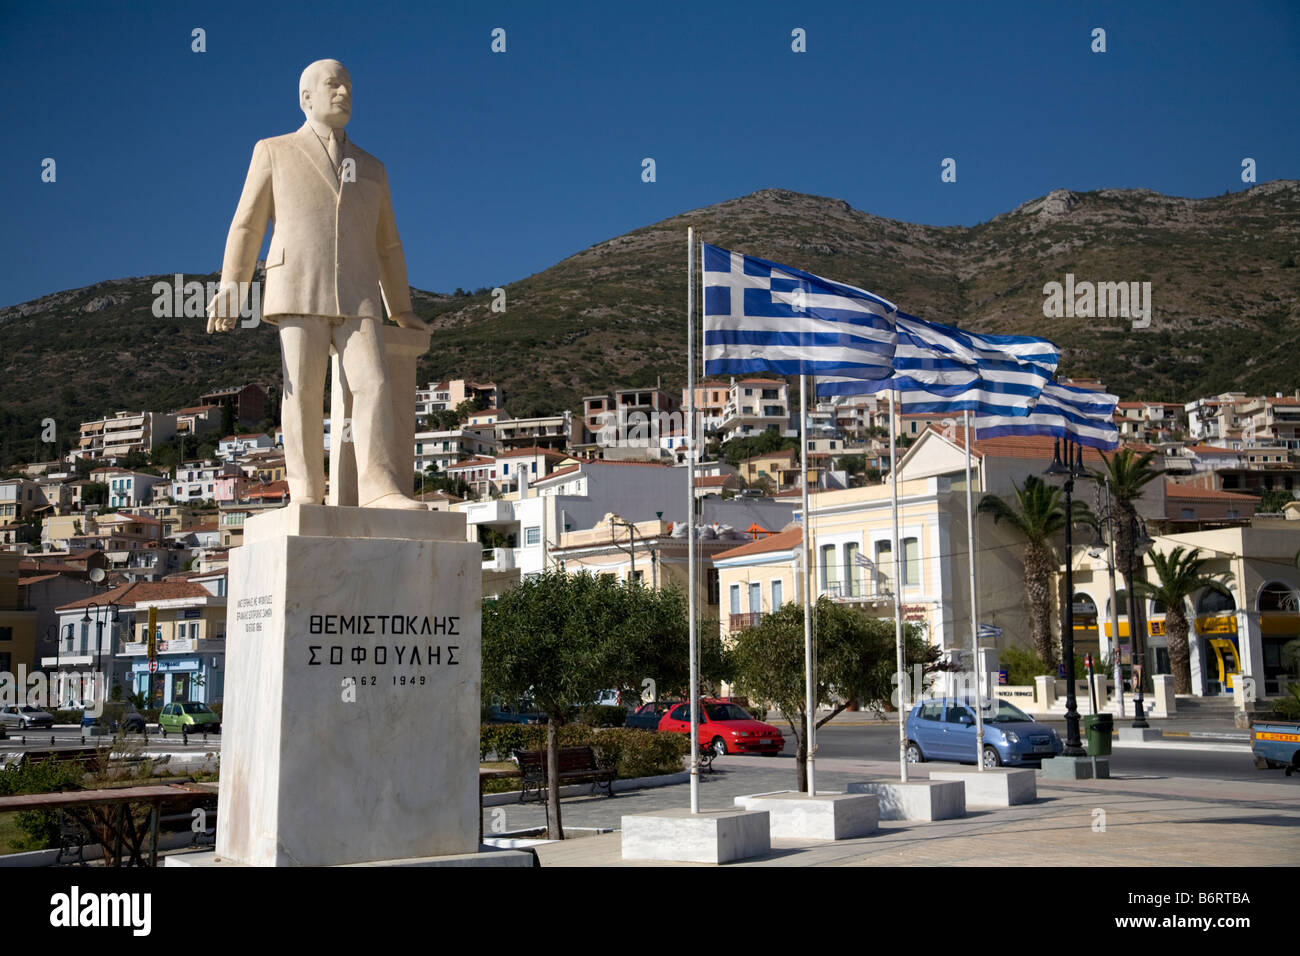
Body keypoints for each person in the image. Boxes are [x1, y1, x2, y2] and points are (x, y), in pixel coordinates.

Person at [207, 59, 429, 510]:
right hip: (297, 284)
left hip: (359, 293)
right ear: (305, 97)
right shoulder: (275, 150)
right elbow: (248, 225)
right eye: (333, 85)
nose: (344, 92)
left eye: (349, 86)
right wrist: (233, 285)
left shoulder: (372, 167)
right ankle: (306, 491)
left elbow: (388, 244)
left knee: (374, 385)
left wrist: (400, 307)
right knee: (303, 391)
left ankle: (379, 487)